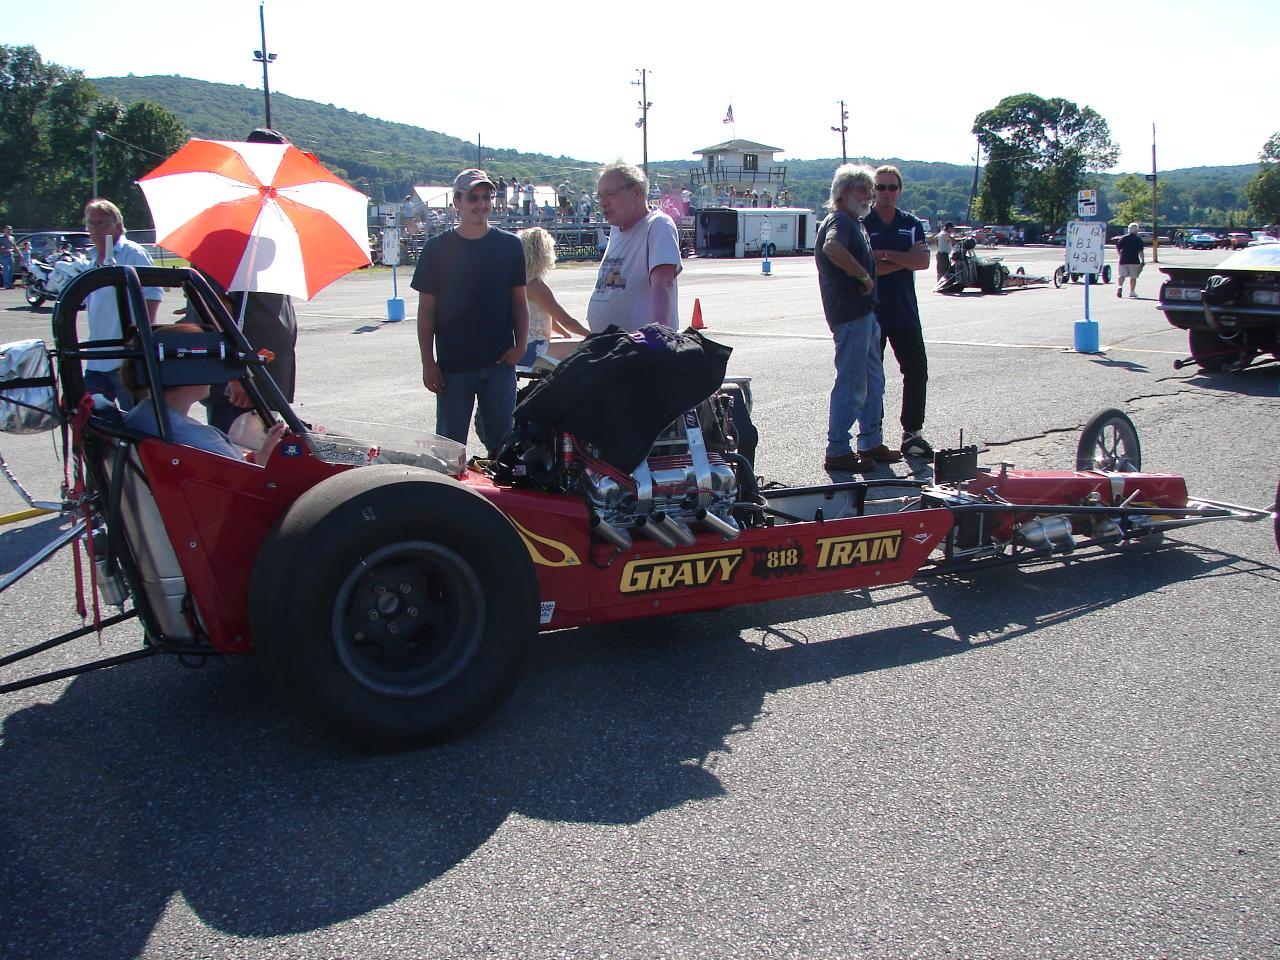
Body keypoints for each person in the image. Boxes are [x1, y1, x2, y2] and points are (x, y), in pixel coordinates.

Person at [412, 168, 527, 455]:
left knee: (504, 449)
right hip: (454, 368)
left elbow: (519, 302)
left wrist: (521, 346)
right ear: (457, 203)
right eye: (473, 198)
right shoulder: (436, 249)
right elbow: (426, 312)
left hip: (499, 365)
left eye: (487, 197)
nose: (481, 204)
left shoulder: (510, 245)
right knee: (448, 451)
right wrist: (428, 362)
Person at [205, 127, 300, 434]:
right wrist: (236, 373)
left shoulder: (267, 227)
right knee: (236, 453)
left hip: (267, 378)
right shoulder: (229, 228)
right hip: (241, 385)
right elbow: (215, 309)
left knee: (266, 452)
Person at [815, 164, 890, 474]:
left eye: (870, 189)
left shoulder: (854, 222)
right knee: (852, 381)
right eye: (863, 189)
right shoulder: (840, 221)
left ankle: (870, 441)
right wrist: (862, 276)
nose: (869, 195)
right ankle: (838, 449)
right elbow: (832, 246)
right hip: (850, 314)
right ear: (844, 193)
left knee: (873, 380)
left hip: (864, 313)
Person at [123, 323, 287, 463]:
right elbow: (244, 476)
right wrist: (262, 459)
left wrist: (257, 456)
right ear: (191, 371)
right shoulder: (199, 437)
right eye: (209, 362)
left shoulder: (141, 416)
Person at [862, 164, 933, 461]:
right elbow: (867, 268)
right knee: (871, 377)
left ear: (900, 190)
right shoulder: (864, 223)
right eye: (881, 187)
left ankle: (912, 433)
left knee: (917, 370)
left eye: (892, 187)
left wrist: (886, 255)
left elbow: (923, 262)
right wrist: (904, 259)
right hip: (872, 311)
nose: (887, 192)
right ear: (873, 190)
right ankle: (872, 434)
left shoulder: (911, 223)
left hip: (905, 312)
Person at [83, 199, 163, 410]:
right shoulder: (92, 260)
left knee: (135, 418)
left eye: (101, 223)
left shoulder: (132, 253)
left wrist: (142, 336)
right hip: (97, 357)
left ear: (117, 225)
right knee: (91, 416)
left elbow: (153, 293)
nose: (95, 228)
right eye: (91, 223)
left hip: (126, 358)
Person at [585, 162, 682, 334]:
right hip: (610, 344)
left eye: (609, 194)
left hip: (640, 346)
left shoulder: (658, 225)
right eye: (599, 196)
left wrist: (656, 335)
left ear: (636, 192)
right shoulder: (616, 229)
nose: (602, 203)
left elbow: (663, 284)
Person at [516, 227, 591, 366]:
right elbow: (567, 321)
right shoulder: (536, 286)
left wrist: (565, 334)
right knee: (589, 345)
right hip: (533, 349)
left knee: (566, 340)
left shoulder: (518, 281)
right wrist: (594, 336)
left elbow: (546, 318)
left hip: (521, 346)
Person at [1115, 222, 1144, 299]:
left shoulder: (1123, 238)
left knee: (1121, 275)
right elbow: (1141, 251)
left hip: (1123, 260)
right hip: (1134, 261)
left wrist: (1120, 255)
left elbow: (1118, 248)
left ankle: (1120, 287)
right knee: (1133, 277)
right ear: (1136, 230)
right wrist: (1143, 261)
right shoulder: (1138, 239)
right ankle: (1132, 291)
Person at [0, 225, 15, 290]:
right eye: (7, 229)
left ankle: (10, 284)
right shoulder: (1, 238)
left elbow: (15, 246)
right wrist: (5, 250)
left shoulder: (12, 238)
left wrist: (20, 255)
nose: (9, 231)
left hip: (11, 255)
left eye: (10, 229)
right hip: (4, 256)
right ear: (4, 230)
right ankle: (6, 285)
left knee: (11, 270)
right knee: (6, 270)